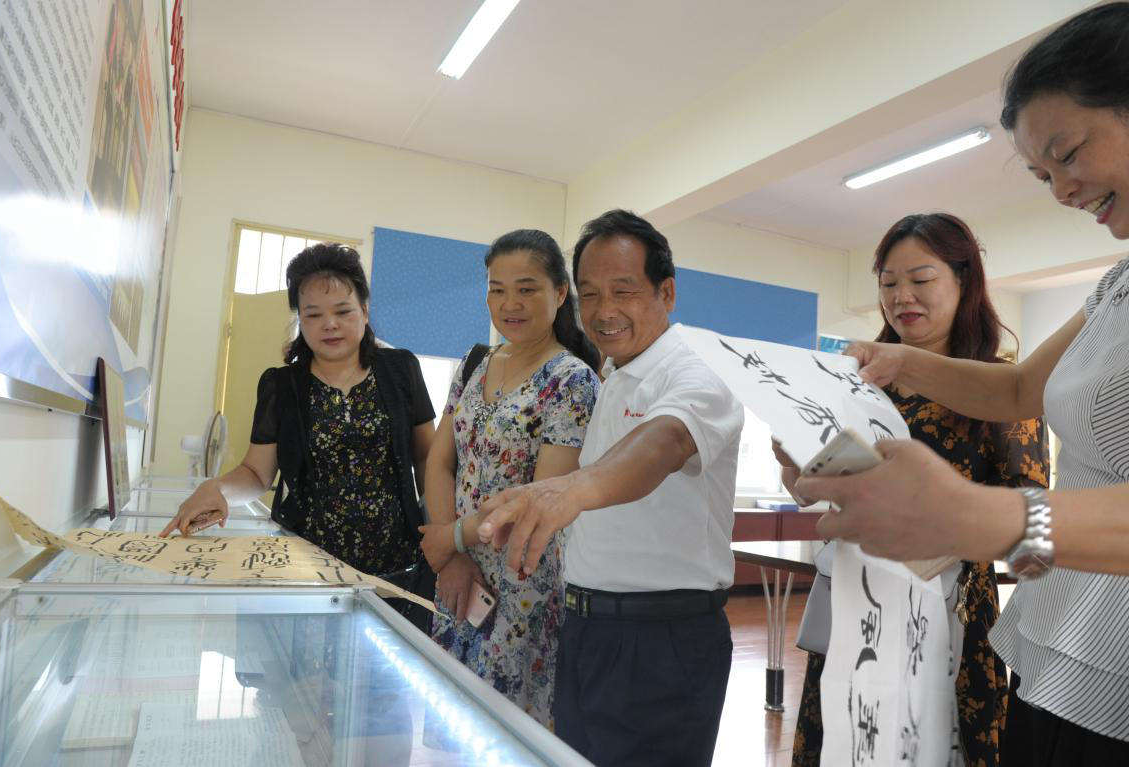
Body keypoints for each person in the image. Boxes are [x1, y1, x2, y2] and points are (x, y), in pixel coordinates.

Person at [796, 4, 1129, 761]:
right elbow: (1017, 392)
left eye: (1068, 153)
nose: (1061, 191)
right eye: (1043, 174)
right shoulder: (1117, 284)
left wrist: (980, 517)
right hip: (1053, 651)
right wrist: (900, 363)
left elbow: (1010, 476)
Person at [476, 210, 744, 767]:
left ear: (667, 292)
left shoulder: (697, 372)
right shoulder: (615, 372)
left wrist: (571, 489)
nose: (603, 311)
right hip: (587, 628)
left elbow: (666, 441)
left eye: (624, 291)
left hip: (661, 637)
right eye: (591, 294)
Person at [781, 213, 1049, 767]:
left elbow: (1035, 534)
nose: (901, 296)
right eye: (888, 282)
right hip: (857, 601)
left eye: (921, 279)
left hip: (951, 613)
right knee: (848, 736)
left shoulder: (999, 387)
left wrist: (955, 525)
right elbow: (815, 492)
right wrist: (795, 466)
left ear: (963, 282)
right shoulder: (854, 383)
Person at [160, 243, 437, 626]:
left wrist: (441, 529)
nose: (329, 324)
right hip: (308, 572)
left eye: (343, 311)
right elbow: (256, 474)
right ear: (300, 321)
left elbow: (427, 457)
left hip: (398, 569)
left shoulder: (401, 369)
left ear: (364, 311)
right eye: (313, 314)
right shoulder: (282, 386)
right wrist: (218, 489)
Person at [416, 229, 600, 727]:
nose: (509, 304)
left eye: (526, 289)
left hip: (522, 586)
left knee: (506, 733)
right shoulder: (475, 363)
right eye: (497, 289)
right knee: (453, 727)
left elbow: (540, 501)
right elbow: (440, 461)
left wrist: (451, 538)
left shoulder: (572, 381)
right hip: (457, 580)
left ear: (559, 293)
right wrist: (451, 556)